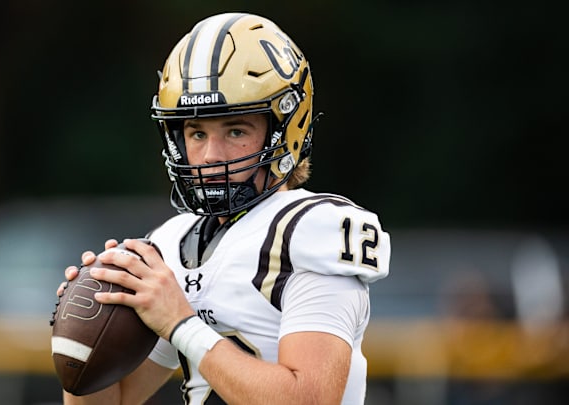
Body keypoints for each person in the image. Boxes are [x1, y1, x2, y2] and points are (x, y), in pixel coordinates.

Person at [56, 12, 391, 405]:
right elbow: (115, 400)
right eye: (197, 133)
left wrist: (181, 323)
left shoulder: (313, 229)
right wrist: (83, 336)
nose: (211, 156)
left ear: (287, 129)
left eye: (235, 130)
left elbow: (311, 399)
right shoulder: (171, 243)